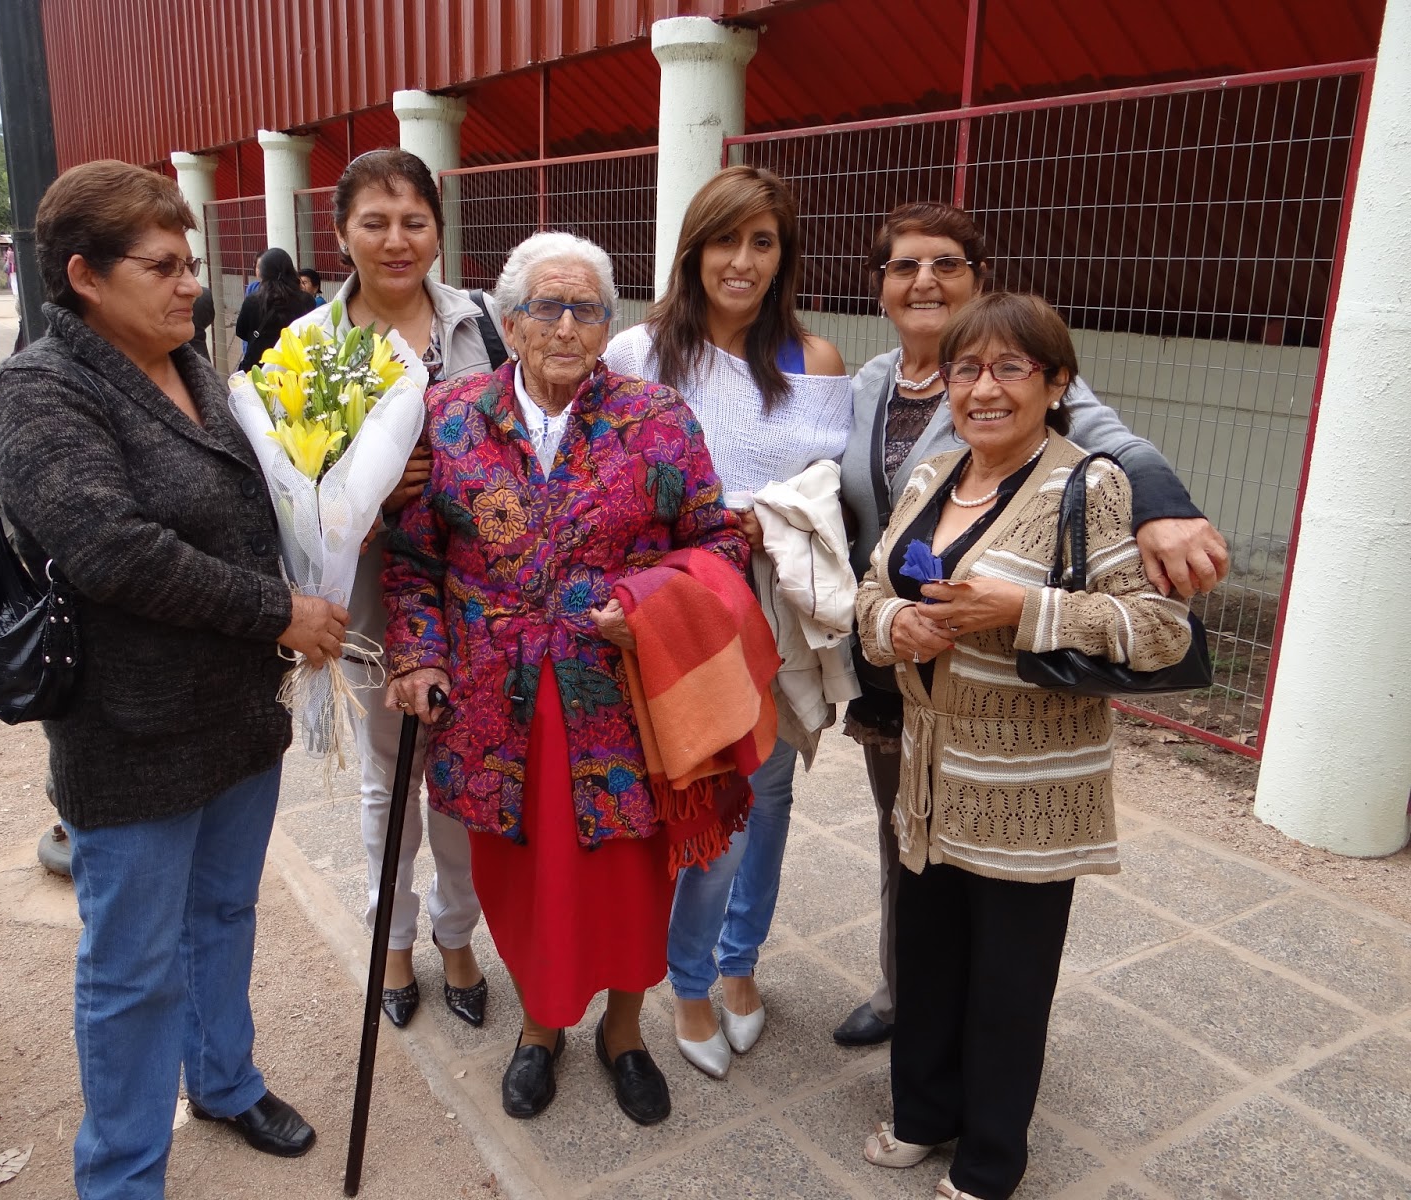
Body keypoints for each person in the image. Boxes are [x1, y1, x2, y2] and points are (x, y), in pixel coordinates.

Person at [0, 159, 348, 1198]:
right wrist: (280, 610)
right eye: (162, 266)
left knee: (223, 917)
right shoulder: (45, 391)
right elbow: (112, 549)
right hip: (133, 735)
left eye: (189, 262)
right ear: (84, 276)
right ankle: (121, 1174)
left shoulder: (191, 368)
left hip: (235, 718)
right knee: (132, 968)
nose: (189, 283)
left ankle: (226, 1082)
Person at [833, 202, 1230, 1051]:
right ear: (881, 287)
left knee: (992, 869)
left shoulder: (1019, 374)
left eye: (946, 263)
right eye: (903, 266)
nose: (924, 280)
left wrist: (1164, 510)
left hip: (999, 677)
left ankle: (974, 1038)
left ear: (979, 279)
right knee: (907, 837)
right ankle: (909, 994)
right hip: (895, 652)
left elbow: (1113, 444)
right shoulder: (868, 382)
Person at [382, 230, 750, 1126]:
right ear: (508, 321)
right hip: (494, 705)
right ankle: (540, 1029)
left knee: (629, 875)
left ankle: (624, 1033)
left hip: (623, 701)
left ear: (607, 326)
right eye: (546, 306)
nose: (565, 325)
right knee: (522, 877)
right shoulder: (450, 414)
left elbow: (719, 540)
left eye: (586, 308)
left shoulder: (657, 416)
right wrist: (419, 654)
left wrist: (650, 605)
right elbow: (410, 557)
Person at [855, 292, 1194, 1199]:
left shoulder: (1089, 485)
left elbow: (1161, 631)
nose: (985, 388)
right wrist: (896, 625)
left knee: (1007, 984)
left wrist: (1025, 610)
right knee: (925, 957)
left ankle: (991, 1159)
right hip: (929, 774)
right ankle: (924, 1114)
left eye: (1012, 368)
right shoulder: (930, 480)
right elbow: (866, 596)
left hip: (1028, 784)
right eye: (967, 369)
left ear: (1056, 383)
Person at [603, 165, 854, 1080]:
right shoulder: (638, 353)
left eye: (762, 242)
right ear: (693, 248)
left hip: (771, 607)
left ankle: (738, 965)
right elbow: (606, 476)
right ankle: (686, 978)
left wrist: (772, 513)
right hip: (671, 611)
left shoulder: (813, 360)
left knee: (769, 795)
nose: (741, 261)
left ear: (784, 256)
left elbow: (832, 484)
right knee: (695, 795)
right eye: (725, 240)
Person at [289, 147, 508, 1031]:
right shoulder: (312, 346)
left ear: (438, 232)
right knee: (393, 772)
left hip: (479, 590)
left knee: (462, 769)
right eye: (374, 222)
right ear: (341, 234)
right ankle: (394, 938)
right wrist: (373, 494)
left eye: (413, 220)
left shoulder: (487, 326)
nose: (395, 239)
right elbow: (296, 494)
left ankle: (458, 935)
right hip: (375, 595)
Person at [234, 247, 316, 372]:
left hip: (258, 370)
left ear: (263, 272)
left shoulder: (253, 301)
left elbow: (241, 331)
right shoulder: (306, 301)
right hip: (293, 369)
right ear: (291, 269)